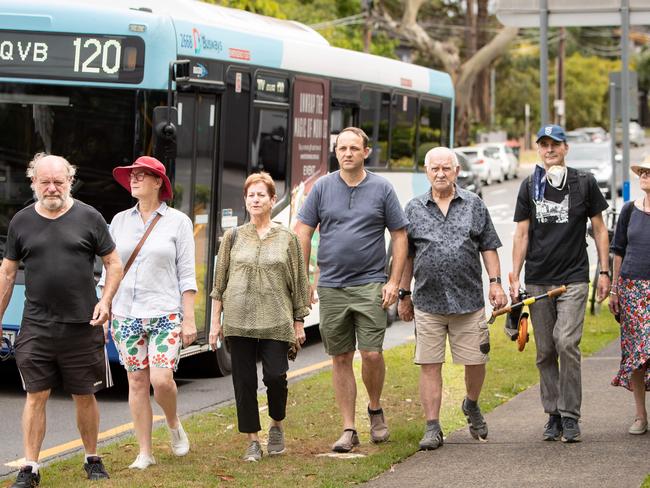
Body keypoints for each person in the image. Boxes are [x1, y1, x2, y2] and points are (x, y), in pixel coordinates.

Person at [0, 154, 123, 487]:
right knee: (35, 395)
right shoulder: (21, 222)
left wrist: (106, 301)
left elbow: (114, 263)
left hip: (83, 326)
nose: (52, 187)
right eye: (45, 182)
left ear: (70, 180)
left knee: (84, 395)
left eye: (59, 181)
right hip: (37, 326)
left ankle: (92, 458)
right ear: (33, 183)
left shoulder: (90, 217)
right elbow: (8, 273)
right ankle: (29, 468)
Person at [295, 127, 408, 452]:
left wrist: (393, 281)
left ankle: (374, 409)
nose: (347, 153)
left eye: (353, 148)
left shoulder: (382, 188)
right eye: (341, 148)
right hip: (331, 286)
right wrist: (305, 278)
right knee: (340, 357)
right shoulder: (323, 188)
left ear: (365, 152)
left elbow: (399, 236)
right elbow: (303, 231)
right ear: (336, 152)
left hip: (370, 283)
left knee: (371, 353)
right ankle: (348, 428)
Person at [398, 147, 507, 450]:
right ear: (426, 171)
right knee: (429, 364)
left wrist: (496, 283)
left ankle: (471, 404)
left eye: (447, 168)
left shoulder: (474, 205)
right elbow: (407, 256)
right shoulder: (413, 209)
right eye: (435, 169)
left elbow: (489, 246)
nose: (441, 174)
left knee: (475, 361)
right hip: (428, 302)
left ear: (457, 171)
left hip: (468, 300)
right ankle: (432, 427)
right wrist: (404, 294)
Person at [511, 125, 610, 443]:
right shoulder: (529, 186)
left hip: (574, 279)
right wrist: (515, 274)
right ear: (538, 149)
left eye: (555, 144)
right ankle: (552, 413)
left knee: (566, 343)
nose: (549, 149)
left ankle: (570, 416)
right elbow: (522, 233)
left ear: (566, 148)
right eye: (544, 144)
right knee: (545, 350)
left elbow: (599, 228)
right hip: (539, 280)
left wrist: (604, 271)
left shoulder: (584, 182)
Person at [100, 156, 197, 469]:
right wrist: (105, 305)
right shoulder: (119, 221)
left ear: (159, 183)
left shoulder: (178, 222)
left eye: (142, 176)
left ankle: (172, 423)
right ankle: (145, 452)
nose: (135, 180)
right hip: (126, 314)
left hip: (165, 313)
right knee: (137, 382)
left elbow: (186, 274)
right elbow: (110, 268)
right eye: (132, 176)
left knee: (161, 380)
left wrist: (189, 317)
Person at [209, 172, 310, 462]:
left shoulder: (287, 238)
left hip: (276, 321)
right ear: (245, 200)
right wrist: (215, 323)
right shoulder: (233, 237)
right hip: (238, 321)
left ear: (272, 200)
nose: (255, 200)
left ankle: (277, 424)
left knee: (275, 377)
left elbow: (299, 282)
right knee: (243, 382)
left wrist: (298, 321)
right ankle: (252, 440)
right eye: (250, 195)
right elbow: (219, 284)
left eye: (261, 195)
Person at [609, 155, 650, 435]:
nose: (645, 176)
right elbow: (618, 250)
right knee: (637, 354)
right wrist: (614, 289)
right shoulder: (628, 210)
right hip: (632, 288)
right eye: (643, 172)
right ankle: (640, 415)